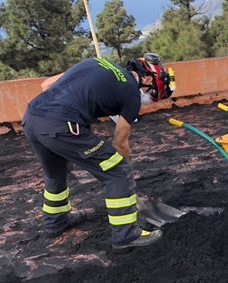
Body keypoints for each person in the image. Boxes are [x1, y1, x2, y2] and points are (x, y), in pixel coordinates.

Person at [21, 53, 175, 252]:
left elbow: (46, 85)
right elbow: (120, 143)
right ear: (146, 79)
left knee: (55, 172)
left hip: (31, 119)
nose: (149, 99)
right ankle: (126, 236)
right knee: (116, 171)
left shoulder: (95, 62)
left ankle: (56, 221)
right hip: (61, 126)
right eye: (152, 94)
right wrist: (124, 170)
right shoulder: (130, 93)